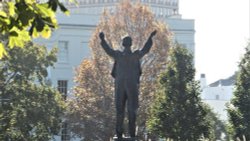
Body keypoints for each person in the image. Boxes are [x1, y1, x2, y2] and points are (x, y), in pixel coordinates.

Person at [99, 30, 157, 140]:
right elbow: (146, 49)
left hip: (120, 86)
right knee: (132, 110)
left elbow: (108, 50)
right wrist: (150, 37)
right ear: (131, 44)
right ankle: (132, 134)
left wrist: (103, 40)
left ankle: (119, 134)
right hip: (132, 86)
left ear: (122, 44)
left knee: (119, 110)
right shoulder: (135, 55)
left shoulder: (118, 55)